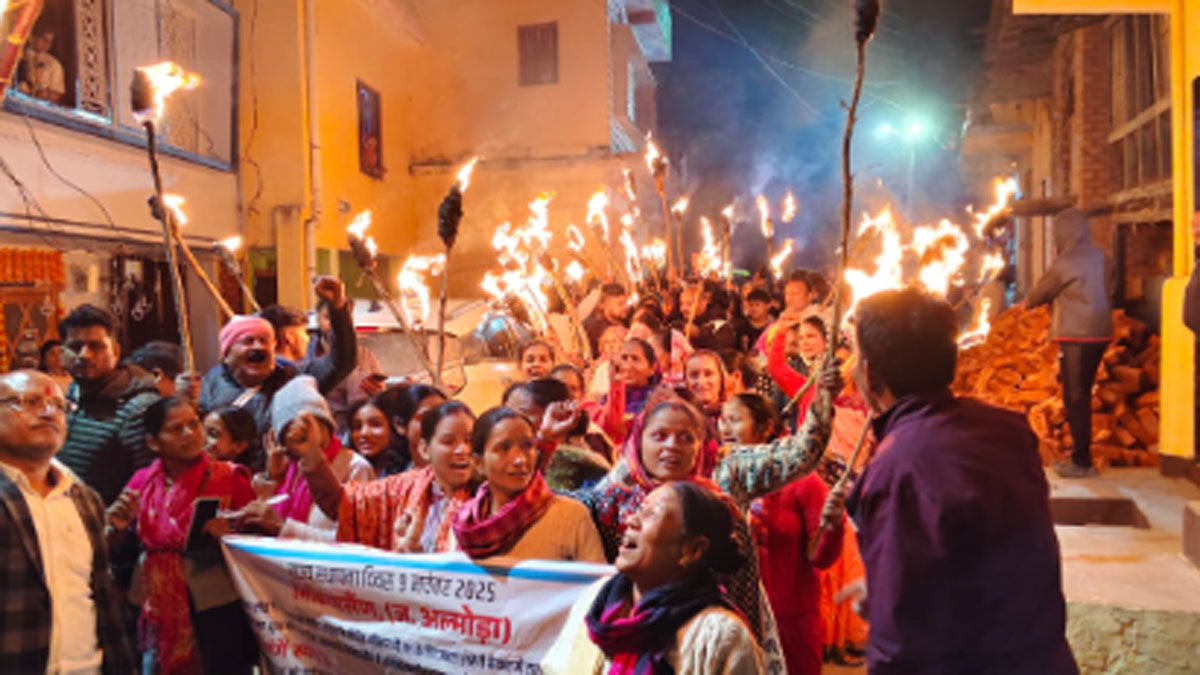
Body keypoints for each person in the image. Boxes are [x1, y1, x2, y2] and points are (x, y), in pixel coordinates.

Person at [845, 287, 1077, 673]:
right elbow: (979, 556)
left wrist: (890, 596)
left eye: (855, 356)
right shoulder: (1006, 431)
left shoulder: (901, 466)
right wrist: (884, 585)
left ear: (869, 374)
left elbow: (899, 640)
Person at [542, 482, 763, 674]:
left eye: (653, 514)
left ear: (692, 550)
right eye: (639, 509)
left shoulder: (720, 636)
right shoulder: (595, 601)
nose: (631, 520)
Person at [107, 396, 259, 674]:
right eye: (176, 429)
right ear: (154, 442)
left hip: (214, 607)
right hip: (152, 602)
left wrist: (232, 533)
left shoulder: (229, 478)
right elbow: (119, 546)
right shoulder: (141, 482)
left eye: (194, 424)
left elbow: (257, 545)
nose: (190, 434)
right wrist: (115, 528)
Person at [0, 370, 136, 672]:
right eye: (31, 401)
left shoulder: (84, 498)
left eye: (60, 406)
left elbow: (100, 596)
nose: (49, 413)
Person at [722, 392, 846, 675]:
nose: (726, 429)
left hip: (792, 620)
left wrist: (832, 527)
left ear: (765, 428)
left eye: (735, 420)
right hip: (738, 614)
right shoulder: (722, 476)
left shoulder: (804, 482)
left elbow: (820, 557)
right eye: (723, 420)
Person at [198, 276, 358, 447]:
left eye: (265, 340)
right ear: (227, 354)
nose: (258, 346)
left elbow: (342, 362)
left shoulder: (294, 381)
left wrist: (338, 309)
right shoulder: (209, 385)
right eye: (248, 341)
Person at [452, 406, 605, 562]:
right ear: (478, 463)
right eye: (504, 448)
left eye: (527, 446)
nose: (520, 460)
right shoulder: (466, 522)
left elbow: (600, 584)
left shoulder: (571, 515)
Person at [1025, 208, 1112, 478]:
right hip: (1101, 332)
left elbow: (1036, 296)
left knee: (1075, 396)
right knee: (1082, 393)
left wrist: (1028, 302)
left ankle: (1081, 461)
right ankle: (1080, 456)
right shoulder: (1102, 257)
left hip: (1076, 334)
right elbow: (1112, 285)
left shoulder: (1064, 263)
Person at [327, 400, 478, 553]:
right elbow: (346, 503)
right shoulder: (404, 487)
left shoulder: (487, 498)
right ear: (425, 449)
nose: (463, 450)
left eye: (470, 441)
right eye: (448, 441)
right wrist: (313, 456)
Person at [242, 376, 374, 541]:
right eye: (290, 433)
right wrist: (272, 478)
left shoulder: (355, 467)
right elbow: (266, 519)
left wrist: (283, 527)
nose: (300, 437)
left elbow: (354, 540)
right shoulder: (290, 467)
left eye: (308, 426)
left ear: (326, 425)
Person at [57, 304, 161, 504]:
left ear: (115, 351)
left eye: (96, 346)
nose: (85, 355)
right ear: (62, 353)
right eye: (75, 347)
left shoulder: (137, 408)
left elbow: (150, 485)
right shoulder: (70, 395)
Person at [504, 379, 611, 491]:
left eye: (521, 414)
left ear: (559, 417)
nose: (506, 422)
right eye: (506, 413)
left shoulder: (588, 471)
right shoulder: (506, 461)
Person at [308, 297, 385, 434]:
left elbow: (379, 398)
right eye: (327, 318)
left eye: (342, 318)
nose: (334, 324)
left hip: (358, 434)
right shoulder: (308, 356)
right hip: (323, 434)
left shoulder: (366, 355)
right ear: (318, 318)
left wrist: (377, 391)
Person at [374, 383, 447, 470]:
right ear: (399, 425)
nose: (438, 423)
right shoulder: (394, 478)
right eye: (427, 417)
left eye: (444, 417)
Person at [348, 396, 409, 477]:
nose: (364, 433)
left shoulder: (408, 472)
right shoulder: (349, 468)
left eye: (375, 425)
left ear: (394, 427)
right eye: (357, 426)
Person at [17, 29, 65, 104]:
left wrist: (40, 94)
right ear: (32, 38)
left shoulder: (54, 64)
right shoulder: (18, 57)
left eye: (50, 42)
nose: (47, 45)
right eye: (44, 40)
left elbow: (56, 94)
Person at [583, 282, 630, 357]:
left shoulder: (628, 321)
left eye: (626, 303)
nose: (626, 307)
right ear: (604, 305)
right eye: (620, 304)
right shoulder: (593, 328)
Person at [733, 287, 774, 354]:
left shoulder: (774, 327)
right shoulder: (741, 327)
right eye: (751, 305)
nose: (754, 309)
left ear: (768, 306)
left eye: (757, 305)